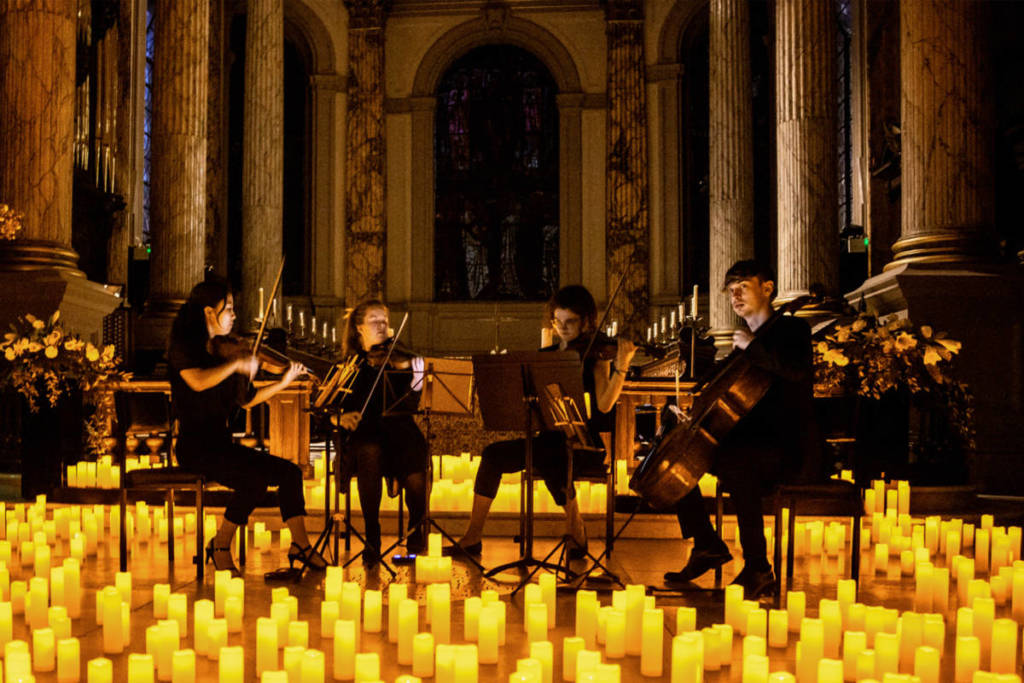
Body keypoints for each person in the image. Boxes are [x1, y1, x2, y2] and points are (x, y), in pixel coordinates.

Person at [664, 260, 819, 598]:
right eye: (731, 290)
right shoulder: (743, 343)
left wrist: (753, 348)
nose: (735, 295)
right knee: (678, 455)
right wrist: (687, 414)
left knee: (737, 461)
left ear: (768, 289)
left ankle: (758, 567)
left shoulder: (792, 330)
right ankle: (706, 543)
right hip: (750, 444)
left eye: (743, 287)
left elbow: (796, 373)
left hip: (786, 447)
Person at [445, 285, 637, 558]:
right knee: (492, 455)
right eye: (557, 321)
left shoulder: (597, 357)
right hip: (549, 440)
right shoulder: (546, 355)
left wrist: (623, 365)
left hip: (583, 445)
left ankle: (575, 528)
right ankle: (473, 537)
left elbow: (605, 405)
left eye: (570, 322)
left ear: (586, 322)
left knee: (549, 457)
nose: (563, 328)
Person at [167, 277, 326, 578]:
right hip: (195, 448)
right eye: (228, 308)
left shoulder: (226, 351)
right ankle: (221, 545)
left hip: (222, 444)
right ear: (209, 312)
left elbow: (248, 400)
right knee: (253, 481)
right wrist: (235, 365)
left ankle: (301, 545)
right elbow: (197, 381)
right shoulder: (184, 347)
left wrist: (283, 382)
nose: (234, 315)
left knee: (290, 473)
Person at [333, 300, 429, 567]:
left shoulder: (398, 360)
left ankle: (416, 529)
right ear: (359, 328)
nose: (381, 325)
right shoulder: (350, 366)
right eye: (374, 320)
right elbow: (329, 409)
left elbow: (409, 406)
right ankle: (372, 534)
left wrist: (416, 384)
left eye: (385, 321)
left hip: (399, 434)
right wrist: (339, 418)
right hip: (364, 438)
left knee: (416, 450)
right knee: (370, 451)